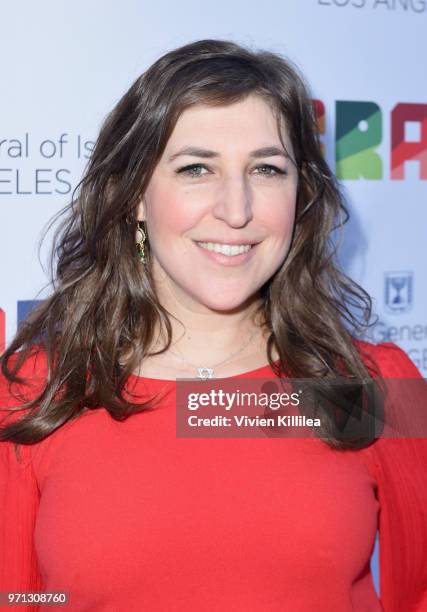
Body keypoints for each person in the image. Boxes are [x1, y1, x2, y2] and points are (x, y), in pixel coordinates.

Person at [0, 38, 426, 612]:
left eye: (267, 168)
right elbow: (19, 597)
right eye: (196, 168)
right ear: (136, 199)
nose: (237, 208)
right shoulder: (35, 394)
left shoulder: (376, 386)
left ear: (300, 195)